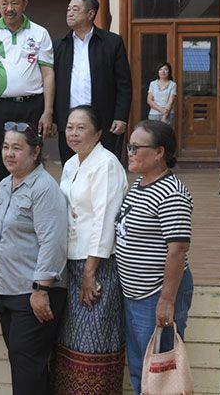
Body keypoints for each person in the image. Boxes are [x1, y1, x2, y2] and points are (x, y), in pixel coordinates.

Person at [52, 105, 128, 394]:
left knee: (94, 341)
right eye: (70, 127)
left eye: (81, 128)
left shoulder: (106, 164)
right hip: (71, 262)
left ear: (98, 133)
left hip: (97, 265)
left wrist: (89, 272)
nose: (73, 133)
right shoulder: (71, 163)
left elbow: (104, 219)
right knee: (70, 340)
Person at [115, 120, 193, 395]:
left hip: (155, 294)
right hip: (135, 293)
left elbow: (177, 250)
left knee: (160, 372)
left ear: (159, 152)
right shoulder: (140, 184)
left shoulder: (172, 193)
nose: (130, 153)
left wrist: (166, 301)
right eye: (129, 147)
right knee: (140, 367)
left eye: (136, 148)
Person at [0, 122, 69, 395]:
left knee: (27, 369)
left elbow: (54, 242)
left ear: (35, 152)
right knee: (25, 367)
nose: (9, 154)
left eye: (17, 148)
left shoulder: (44, 188)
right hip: (6, 290)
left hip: (33, 294)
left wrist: (40, 289)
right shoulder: (4, 184)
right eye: (5, 147)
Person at [0, 0, 55, 184]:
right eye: (4, 3)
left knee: (33, 156)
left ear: (24, 4)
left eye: (14, 3)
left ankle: (33, 198)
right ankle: (4, 201)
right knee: (5, 159)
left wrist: (48, 111)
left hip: (33, 105)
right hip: (0, 107)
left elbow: (48, 74)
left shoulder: (40, 33)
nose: (9, 8)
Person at [54, 0, 133, 163]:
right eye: (68, 9)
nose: (69, 13)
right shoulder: (59, 45)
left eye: (75, 9)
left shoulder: (112, 42)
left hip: (104, 121)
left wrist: (121, 116)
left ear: (90, 14)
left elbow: (124, 84)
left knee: (104, 166)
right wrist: (54, 119)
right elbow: (52, 84)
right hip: (70, 121)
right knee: (72, 168)